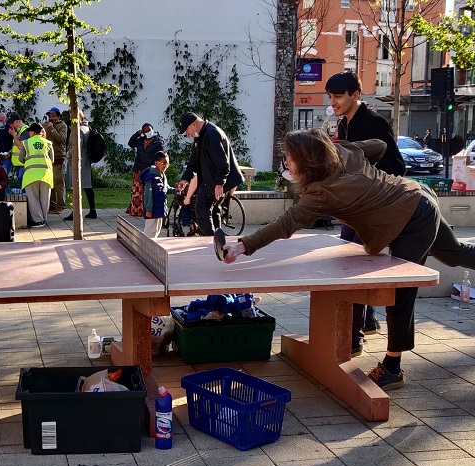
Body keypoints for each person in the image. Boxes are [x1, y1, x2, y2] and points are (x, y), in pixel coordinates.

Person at [222, 128, 475, 390]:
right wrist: (368, 181)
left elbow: (286, 223)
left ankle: (392, 368)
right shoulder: (343, 151)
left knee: (399, 292)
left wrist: (243, 246)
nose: (286, 162)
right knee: (455, 254)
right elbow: (378, 144)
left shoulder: (320, 194)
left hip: (412, 221)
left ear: (308, 161)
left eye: (289, 157)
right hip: (419, 196)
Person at [326, 71, 406, 352]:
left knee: (353, 270)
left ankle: (353, 339)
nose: (333, 102)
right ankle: (367, 320)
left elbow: (397, 166)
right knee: (351, 264)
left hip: (372, 210)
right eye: (331, 96)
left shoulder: (374, 123)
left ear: (355, 96)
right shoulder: (345, 125)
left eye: (338, 96)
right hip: (354, 210)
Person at [178, 112, 244, 235]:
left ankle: (211, 239)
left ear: (194, 125)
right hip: (211, 179)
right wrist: (185, 179)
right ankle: (218, 240)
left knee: (202, 210)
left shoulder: (211, 133)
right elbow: (194, 160)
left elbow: (222, 161)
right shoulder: (200, 136)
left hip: (216, 180)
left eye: (187, 130)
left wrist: (220, 183)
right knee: (213, 211)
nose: (188, 134)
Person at [17, 122, 53, 227]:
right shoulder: (48, 143)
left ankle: (38, 220)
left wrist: (28, 162)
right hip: (46, 173)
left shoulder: (26, 143)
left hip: (31, 174)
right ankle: (43, 219)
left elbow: (20, 158)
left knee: (33, 198)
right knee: (45, 198)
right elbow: (52, 159)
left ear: (32, 132)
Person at [64, 110, 98, 220]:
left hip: (78, 161)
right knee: (87, 186)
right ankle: (93, 210)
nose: (70, 118)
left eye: (72, 116)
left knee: (77, 185)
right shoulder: (87, 128)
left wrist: (68, 154)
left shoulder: (78, 130)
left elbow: (76, 146)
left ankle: (76, 212)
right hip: (85, 160)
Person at [127, 123, 164, 217]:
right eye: (146, 131)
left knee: (148, 190)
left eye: (150, 130)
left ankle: (147, 210)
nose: (148, 132)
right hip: (139, 168)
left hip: (149, 169)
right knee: (136, 191)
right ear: (143, 132)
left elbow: (161, 155)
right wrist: (137, 134)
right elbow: (131, 143)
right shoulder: (140, 140)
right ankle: (136, 210)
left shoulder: (157, 142)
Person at [140, 151, 173, 238]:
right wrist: (148, 209)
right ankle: (144, 248)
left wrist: (176, 190)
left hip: (160, 209)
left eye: (167, 164)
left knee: (157, 231)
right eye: (164, 163)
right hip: (152, 210)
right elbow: (148, 195)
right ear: (156, 163)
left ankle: (151, 248)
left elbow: (166, 188)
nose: (166, 166)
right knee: (149, 231)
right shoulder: (151, 178)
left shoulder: (162, 175)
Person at [43, 107, 68, 214]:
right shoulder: (44, 125)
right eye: (50, 116)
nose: (51, 118)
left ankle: (61, 205)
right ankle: (52, 205)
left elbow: (61, 140)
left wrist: (52, 129)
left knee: (58, 182)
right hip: (47, 157)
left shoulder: (63, 126)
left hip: (58, 156)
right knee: (50, 182)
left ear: (58, 116)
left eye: (53, 116)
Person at [8, 112, 30, 188]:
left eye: (12, 123)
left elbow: (21, 146)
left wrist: (13, 134)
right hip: (18, 164)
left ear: (19, 122)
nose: (11, 126)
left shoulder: (25, 131)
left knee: (22, 187)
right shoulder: (18, 131)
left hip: (23, 164)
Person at [0, 111, 13, 177]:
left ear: (5, 120)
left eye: (0, 120)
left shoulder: (10, 129)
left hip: (7, 158)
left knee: (4, 175)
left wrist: (10, 152)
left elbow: (15, 142)